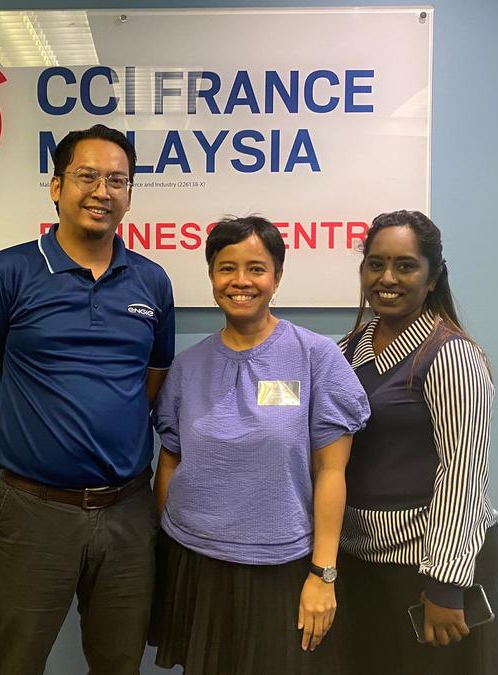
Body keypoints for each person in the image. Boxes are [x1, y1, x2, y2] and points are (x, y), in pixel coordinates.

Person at [0, 124, 176, 675]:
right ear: (56, 187)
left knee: (120, 663)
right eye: (87, 176)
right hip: (33, 512)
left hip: (128, 512)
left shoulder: (152, 282)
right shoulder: (8, 272)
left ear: (129, 195)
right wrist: (13, 461)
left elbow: (151, 383)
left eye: (117, 181)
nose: (102, 191)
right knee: (14, 662)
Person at [149, 216, 370, 675]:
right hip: (193, 559)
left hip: (281, 565)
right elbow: (169, 462)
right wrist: (161, 551)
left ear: (277, 276)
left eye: (256, 268)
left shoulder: (315, 357)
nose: (241, 281)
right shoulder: (188, 366)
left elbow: (332, 472)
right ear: (211, 276)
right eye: (227, 268)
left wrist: (323, 573)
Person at [336, 209, 498, 673]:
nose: (387, 278)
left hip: (433, 562)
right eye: (375, 264)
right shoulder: (346, 351)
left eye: (405, 266)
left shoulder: (451, 355)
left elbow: (463, 472)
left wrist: (445, 584)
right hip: (362, 559)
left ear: (432, 278)